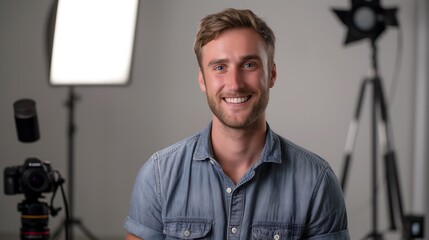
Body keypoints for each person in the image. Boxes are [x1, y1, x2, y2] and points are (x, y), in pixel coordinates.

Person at [124, 8, 350, 239]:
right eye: (220, 68)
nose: (234, 84)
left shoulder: (316, 181)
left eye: (249, 65)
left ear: (271, 74)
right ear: (203, 79)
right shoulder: (159, 175)